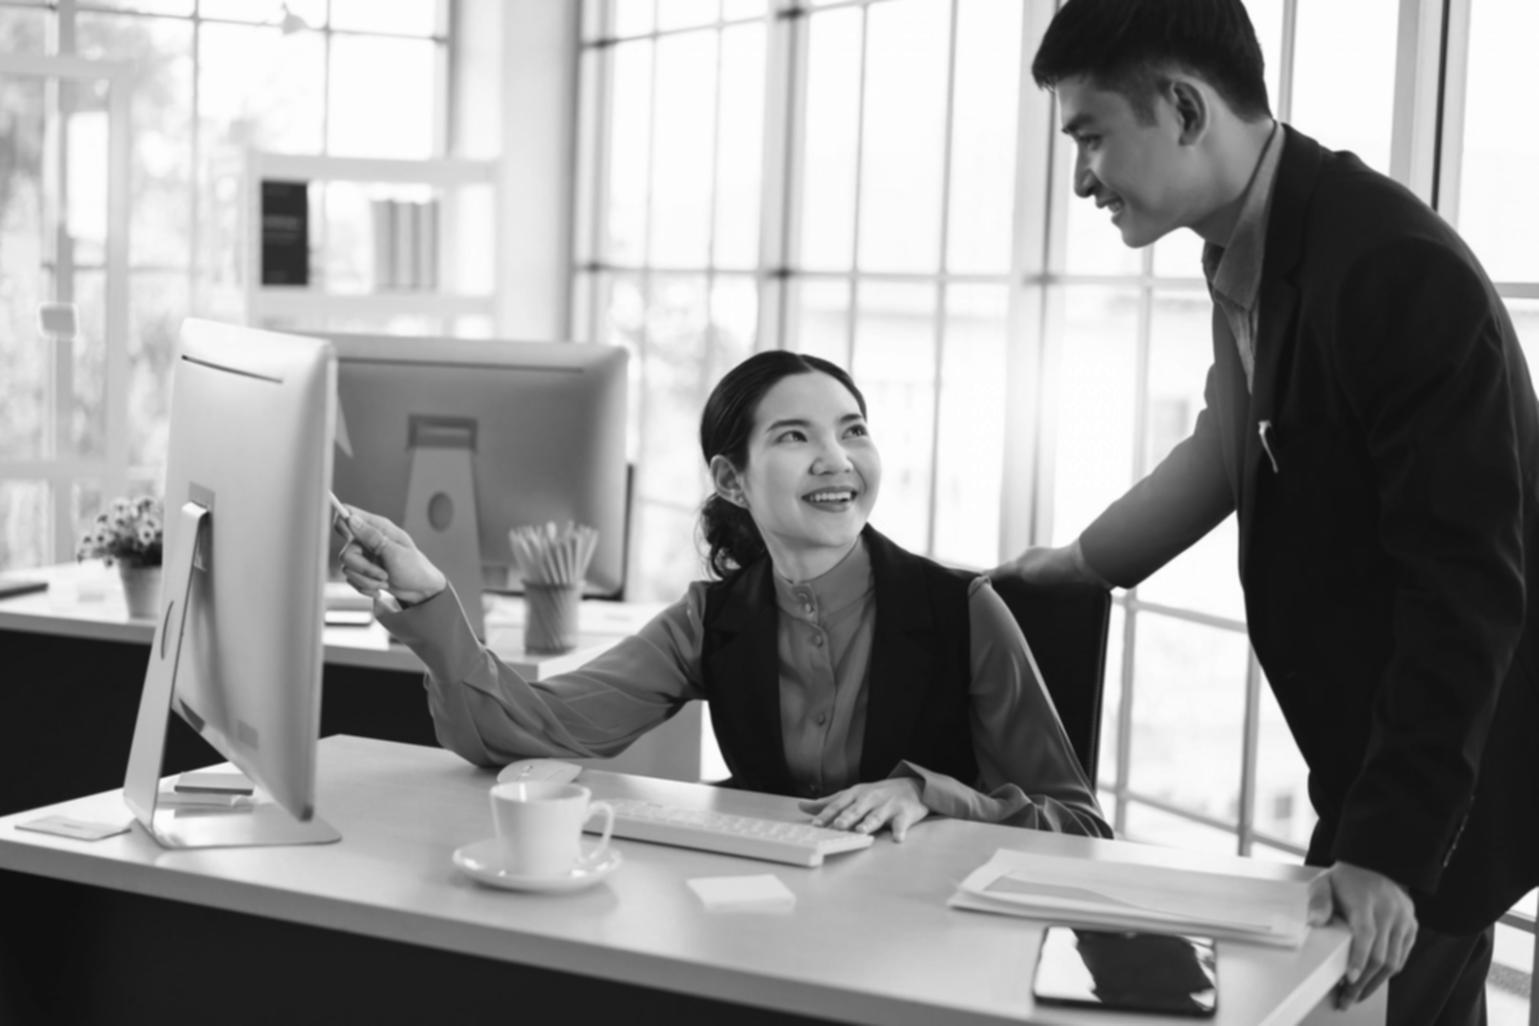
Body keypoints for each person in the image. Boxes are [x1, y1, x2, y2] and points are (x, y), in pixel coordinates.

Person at [992, 1, 1539, 1022]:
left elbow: (1466, 591)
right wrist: (1083, 563)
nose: (1080, 179)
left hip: (1453, 768)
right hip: (1382, 757)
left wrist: (1385, 851)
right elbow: (1225, 439)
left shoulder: (1387, 271)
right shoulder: (1257, 240)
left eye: (1092, 135)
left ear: (1186, 110)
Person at [339, 350, 1109, 842]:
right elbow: (527, 733)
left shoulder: (964, 610)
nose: (836, 460)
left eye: (852, 431)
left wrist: (928, 794)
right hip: (763, 919)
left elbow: (1078, 827)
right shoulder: (709, 620)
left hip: (926, 940)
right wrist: (430, 600)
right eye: (794, 437)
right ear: (731, 480)